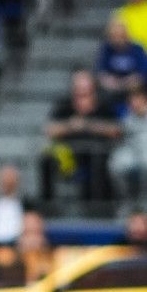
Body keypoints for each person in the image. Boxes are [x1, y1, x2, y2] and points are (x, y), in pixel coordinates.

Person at [41, 70, 121, 206]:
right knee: (46, 159)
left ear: (93, 89)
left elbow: (116, 130)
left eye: (86, 91)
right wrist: (70, 125)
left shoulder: (104, 106)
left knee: (99, 160)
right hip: (69, 156)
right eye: (78, 90)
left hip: (99, 153)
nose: (82, 94)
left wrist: (90, 125)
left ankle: (98, 207)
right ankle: (49, 205)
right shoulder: (64, 105)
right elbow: (50, 130)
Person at [96, 18, 147, 104]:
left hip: (133, 87)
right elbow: (101, 74)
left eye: (121, 36)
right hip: (112, 89)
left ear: (127, 35)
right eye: (114, 36)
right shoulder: (105, 50)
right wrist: (111, 82)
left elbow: (142, 74)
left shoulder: (137, 49)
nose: (118, 39)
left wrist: (126, 82)